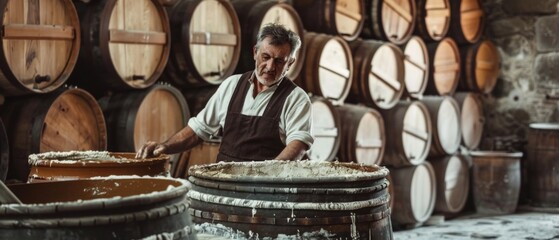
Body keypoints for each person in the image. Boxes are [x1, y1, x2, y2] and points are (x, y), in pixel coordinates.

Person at [136, 23, 313, 162]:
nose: (270, 67)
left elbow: (298, 145)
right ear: (255, 53)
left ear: (290, 63)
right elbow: (199, 129)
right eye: (265, 57)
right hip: (225, 187)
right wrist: (165, 147)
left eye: (280, 61)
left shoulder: (296, 98)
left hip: (265, 192)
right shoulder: (232, 85)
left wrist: (268, 175)